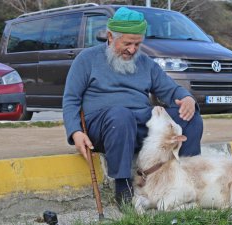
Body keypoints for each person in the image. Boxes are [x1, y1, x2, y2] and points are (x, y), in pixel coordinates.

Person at [63, 7, 203, 206]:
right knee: (121, 115)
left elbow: (171, 90)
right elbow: (71, 99)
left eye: (137, 44)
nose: (132, 49)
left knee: (190, 117)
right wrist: (76, 132)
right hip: (105, 126)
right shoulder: (86, 60)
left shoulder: (145, 63)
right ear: (110, 37)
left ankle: (188, 180)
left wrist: (187, 98)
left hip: (140, 123)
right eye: (127, 43)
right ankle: (123, 187)